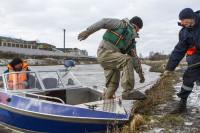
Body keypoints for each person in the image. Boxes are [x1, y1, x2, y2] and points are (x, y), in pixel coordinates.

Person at [78, 16, 146, 100]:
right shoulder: (120, 24)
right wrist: (89, 31)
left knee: (113, 85)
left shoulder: (131, 41)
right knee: (127, 60)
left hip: (114, 59)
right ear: (132, 24)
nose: (138, 30)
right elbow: (104, 22)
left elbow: (134, 57)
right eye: (137, 27)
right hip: (105, 53)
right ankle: (128, 91)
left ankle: (102, 101)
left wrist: (140, 73)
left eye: (139, 29)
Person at [163, 8, 200, 114]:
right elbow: (178, 51)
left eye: (184, 20)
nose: (182, 23)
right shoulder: (184, 32)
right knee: (188, 77)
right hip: (198, 53)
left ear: (191, 17)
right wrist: (169, 68)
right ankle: (182, 104)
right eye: (181, 20)